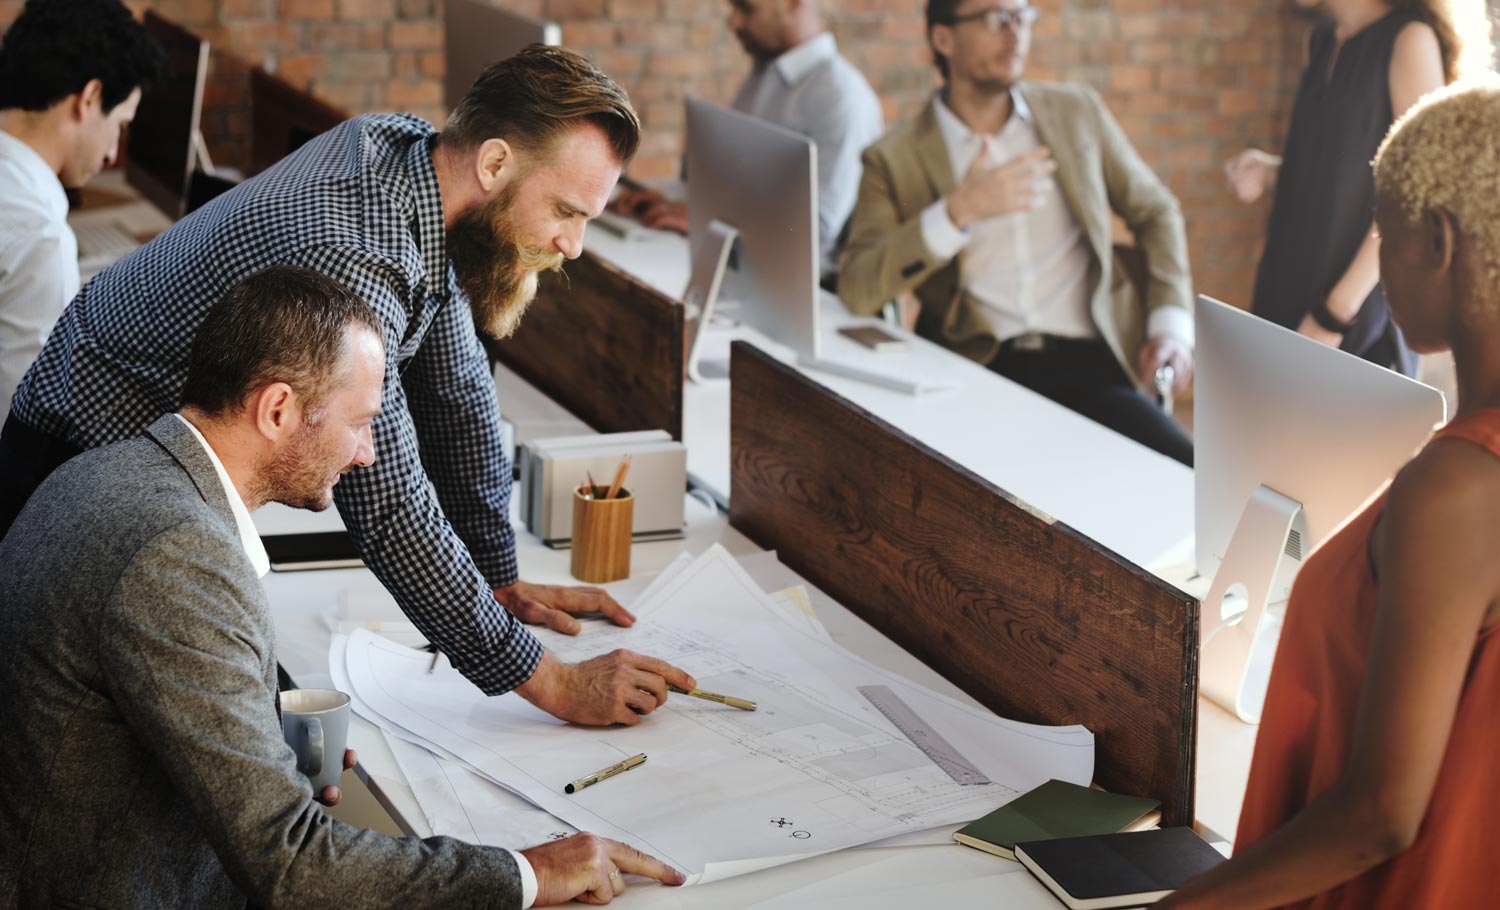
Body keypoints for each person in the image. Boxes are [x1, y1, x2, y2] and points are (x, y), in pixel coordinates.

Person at [0, 45, 698, 726]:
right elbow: (389, 502)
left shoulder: (408, 157)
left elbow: (457, 395)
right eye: (567, 212)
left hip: (132, 455)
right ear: (493, 163)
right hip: (72, 465)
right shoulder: (356, 253)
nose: (573, 244)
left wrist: (498, 577)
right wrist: (552, 682)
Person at [0, 266, 685, 908]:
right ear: (276, 410)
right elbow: (294, 869)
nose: (369, 453)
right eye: (359, 423)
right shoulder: (177, 556)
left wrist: (260, 734)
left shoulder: (112, 470)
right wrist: (530, 872)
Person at [1160, 79, 1500, 909]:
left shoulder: (1457, 485)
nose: (1379, 266)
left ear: (1439, 242)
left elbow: (1380, 815)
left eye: (1384, 234)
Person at [837, 0, 1194, 466]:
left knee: (1192, 483)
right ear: (943, 39)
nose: (1016, 32)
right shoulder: (891, 157)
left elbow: (1156, 210)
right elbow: (857, 286)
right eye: (995, 19)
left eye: (1022, 16)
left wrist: (1170, 325)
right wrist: (957, 213)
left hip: (1092, 364)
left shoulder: (1075, 112)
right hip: (977, 370)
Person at [1225, 0, 1458, 375]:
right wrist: (1272, 172)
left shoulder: (1409, 42)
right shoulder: (1320, 40)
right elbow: (1350, 166)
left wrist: (1333, 315)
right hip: (1287, 291)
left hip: (1358, 318)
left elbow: (1420, 195)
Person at [610, 0, 884, 277]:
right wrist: (672, 199)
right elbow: (738, 190)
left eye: (747, 8)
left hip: (798, 286)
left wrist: (704, 221)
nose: (733, 22)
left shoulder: (841, 97)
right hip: (738, 267)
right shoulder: (762, 78)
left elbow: (814, 232)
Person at [0, 0, 163, 424]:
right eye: (120, 125)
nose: (111, 154)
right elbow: (17, 426)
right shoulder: (40, 240)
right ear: (89, 98)